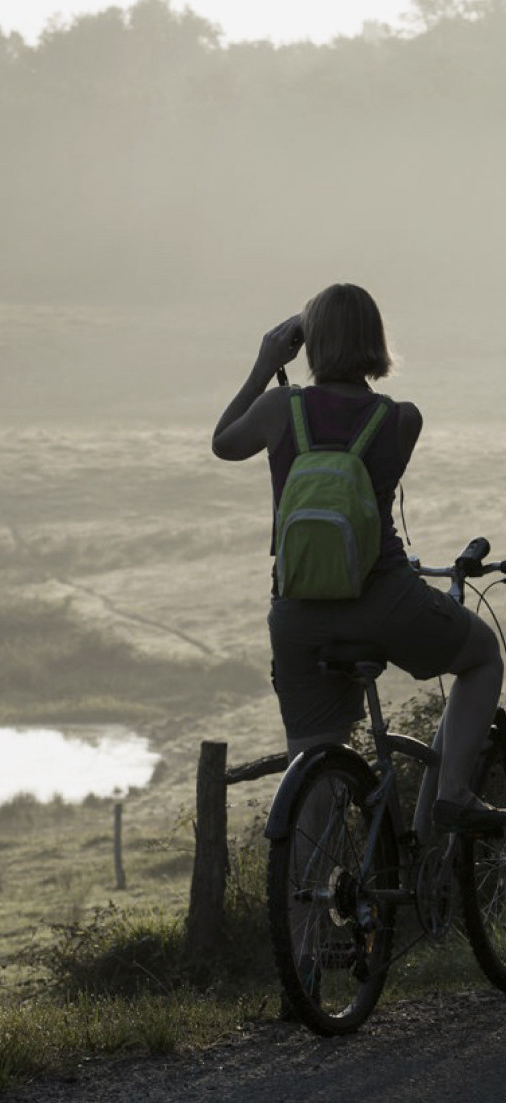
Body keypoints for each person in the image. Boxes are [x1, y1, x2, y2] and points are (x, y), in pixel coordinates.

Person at [212, 282, 505, 833]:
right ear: (375, 340)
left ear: (311, 342)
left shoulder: (278, 409)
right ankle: (452, 795)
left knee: (312, 778)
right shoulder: (402, 419)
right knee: (484, 655)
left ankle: (306, 885)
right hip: (383, 597)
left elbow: (224, 442)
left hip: (298, 612)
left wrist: (266, 365)